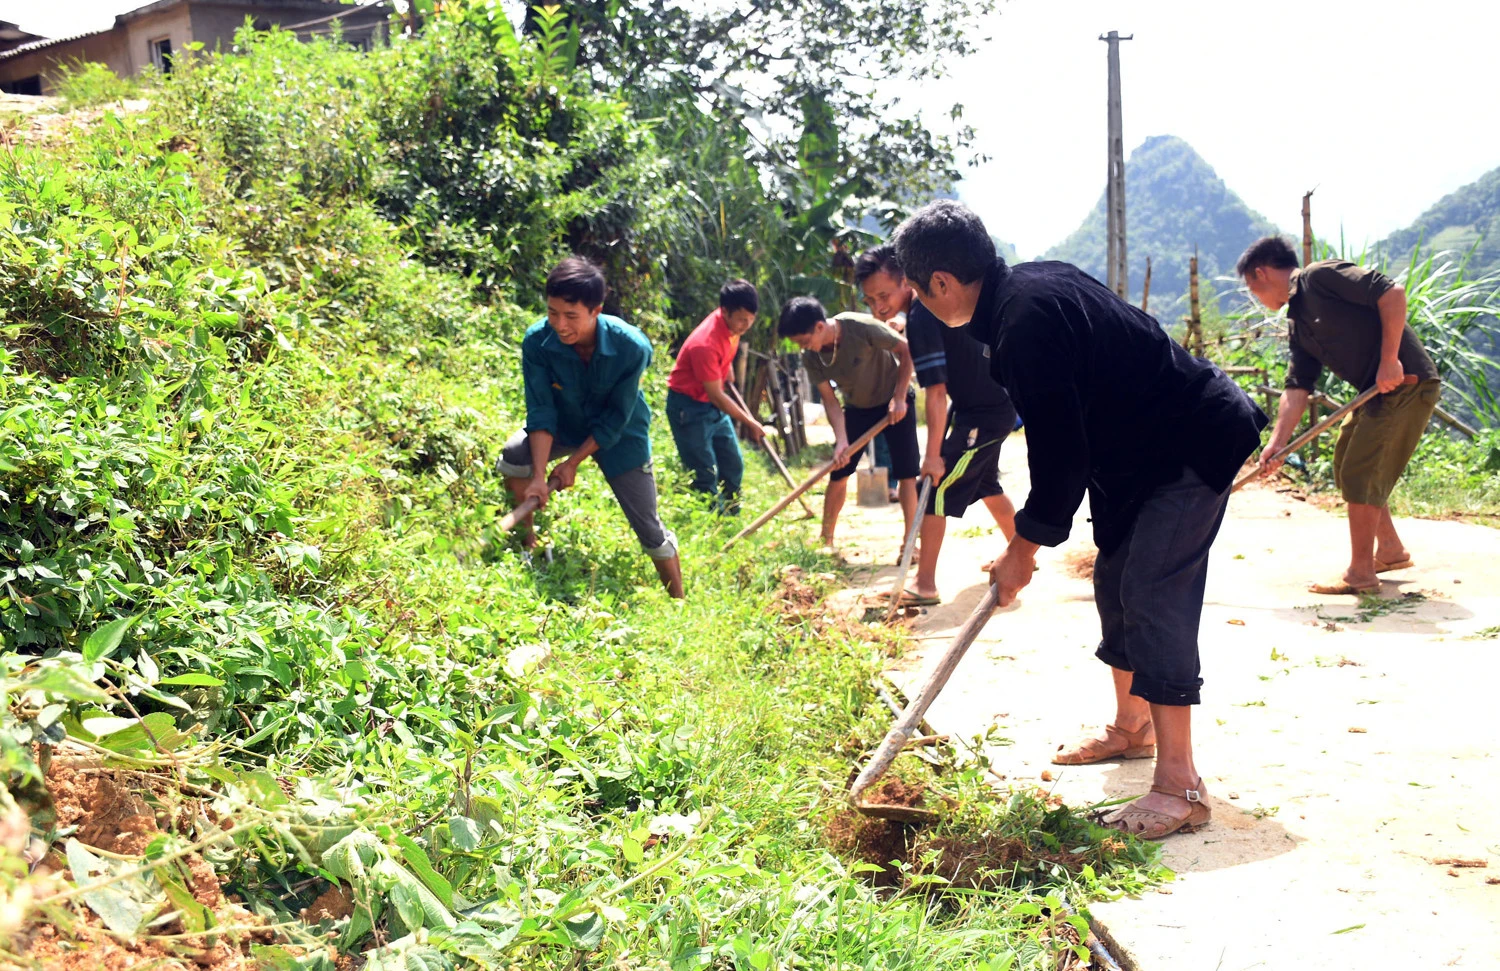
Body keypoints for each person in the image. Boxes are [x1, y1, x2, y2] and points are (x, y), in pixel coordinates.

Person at [893, 200, 1266, 839]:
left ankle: (1180, 784)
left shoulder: (1024, 324)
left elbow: (1058, 460)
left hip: (1189, 443)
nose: (921, 308)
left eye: (917, 295)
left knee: (1151, 588)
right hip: (1133, 458)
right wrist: (1028, 540)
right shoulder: (1028, 291)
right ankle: (1133, 727)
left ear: (943, 285)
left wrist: (1023, 548)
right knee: (1115, 580)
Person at [1236, 236, 1441, 595]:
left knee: (1361, 468)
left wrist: (1389, 358)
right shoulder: (1299, 325)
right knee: (1346, 457)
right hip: (1375, 393)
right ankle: (1390, 550)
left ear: (1261, 273)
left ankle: (1361, 573)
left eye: (1253, 289)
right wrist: (1276, 444)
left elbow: (1392, 293)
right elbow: (1297, 388)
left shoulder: (1320, 276)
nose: (1256, 298)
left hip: (1405, 382)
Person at [497, 257, 684, 598]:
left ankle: (679, 602)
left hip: (621, 434)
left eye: (571, 316)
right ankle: (530, 544)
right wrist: (540, 475)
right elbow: (540, 410)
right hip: (565, 426)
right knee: (515, 455)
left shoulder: (631, 346)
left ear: (596, 310)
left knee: (649, 528)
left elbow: (616, 417)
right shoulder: (537, 342)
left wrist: (572, 463)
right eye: (553, 313)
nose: (560, 324)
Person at [855, 244, 1016, 607]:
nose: (878, 306)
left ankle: (925, 584)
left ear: (906, 281)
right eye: (869, 300)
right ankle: (1021, 554)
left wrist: (933, 457)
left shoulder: (922, 318)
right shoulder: (925, 311)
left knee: (937, 489)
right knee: (988, 485)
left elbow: (937, 392)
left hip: (984, 413)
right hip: (989, 407)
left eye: (884, 295)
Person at [777, 297, 919, 548]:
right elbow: (830, 401)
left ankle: (910, 544)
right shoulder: (812, 358)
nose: (804, 347)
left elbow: (905, 350)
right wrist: (842, 440)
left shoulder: (860, 326)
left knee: (907, 474)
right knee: (839, 470)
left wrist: (898, 398)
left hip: (894, 400)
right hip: (857, 408)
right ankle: (826, 542)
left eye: (804, 341)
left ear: (820, 327)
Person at [665, 279, 766, 513]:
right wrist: (750, 422)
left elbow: (726, 351)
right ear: (725, 312)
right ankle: (712, 529)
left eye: (751, 319)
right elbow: (716, 395)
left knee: (733, 465)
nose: (746, 325)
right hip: (688, 409)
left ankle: (731, 517)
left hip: (711, 406)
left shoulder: (732, 326)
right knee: (704, 474)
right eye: (742, 319)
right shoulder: (705, 343)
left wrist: (725, 366)